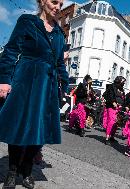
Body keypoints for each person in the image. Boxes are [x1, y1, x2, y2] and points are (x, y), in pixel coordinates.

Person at [0, 0, 68, 188]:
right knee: (18, 126)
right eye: (54, 2)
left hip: (48, 85)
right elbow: (12, 49)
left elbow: (60, 64)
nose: (57, 7)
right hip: (26, 80)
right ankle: (12, 171)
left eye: (61, 4)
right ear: (42, 1)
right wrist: (4, 79)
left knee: (41, 128)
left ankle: (27, 169)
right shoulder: (27, 21)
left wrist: (65, 86)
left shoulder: (59, 34)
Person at [104, 76, 126, 145]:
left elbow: (123, 98)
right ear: (119, 81)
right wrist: (113, 102)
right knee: (111, 121)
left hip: (119, 107)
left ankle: (112, 136)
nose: (123, 83)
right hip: (111, 106)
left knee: (116, 123)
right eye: (123, 82)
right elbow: (109, 95)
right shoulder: (112, 86)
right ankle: (107, 137)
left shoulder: (122, 89)